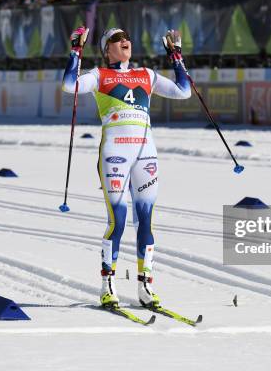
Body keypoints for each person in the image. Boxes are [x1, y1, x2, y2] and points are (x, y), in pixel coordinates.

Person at [62, 27, 191, 308]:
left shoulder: (147, 74)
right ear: (106, 49)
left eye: (127, 37)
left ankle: (146, 288)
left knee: (146, 220)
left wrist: (176, 57)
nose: (125, 41)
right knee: (117, 221)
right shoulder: (99, 75)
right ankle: (108, 286)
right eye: (116, 40)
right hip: (115, 154)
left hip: (146, 154)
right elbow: (69, 86)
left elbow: (184, 92)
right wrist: (75, 52)